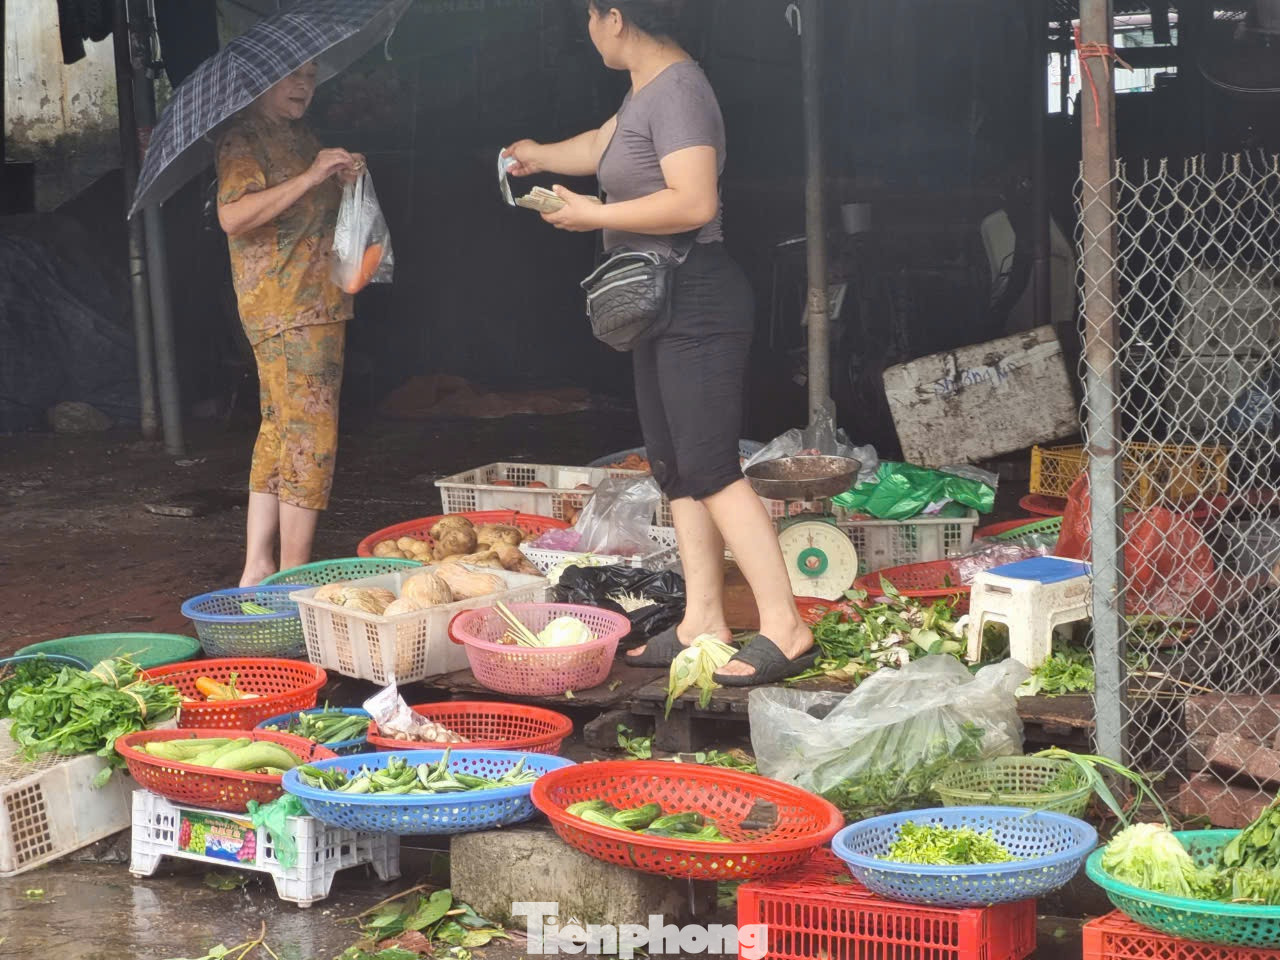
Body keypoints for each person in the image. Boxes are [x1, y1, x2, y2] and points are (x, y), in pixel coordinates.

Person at [504, 0, 815, 685]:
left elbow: (695, 200)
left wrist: (596, 216)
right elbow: (599, 146)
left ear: (614, 17)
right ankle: (701, 619)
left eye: (589, 18)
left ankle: (786, 627)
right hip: (657, 298)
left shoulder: (679, 89)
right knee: (674, 466)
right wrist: (535, 155)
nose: (588, 33)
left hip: (697, 292)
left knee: (712, 466)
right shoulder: (645, 88)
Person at [215, 62, 364, 586]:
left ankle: (259, 566)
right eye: (290, 76)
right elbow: (233, 216)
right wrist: (309, 177)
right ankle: (294, 573)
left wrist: (342, 177)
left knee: (281, 428)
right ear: (260, 82)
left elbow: (312, 209)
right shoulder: (243, 138)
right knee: (310, 433)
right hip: (285, 305)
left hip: (317, 299)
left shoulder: (302, 137)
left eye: (311, 75)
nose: (304, 85)